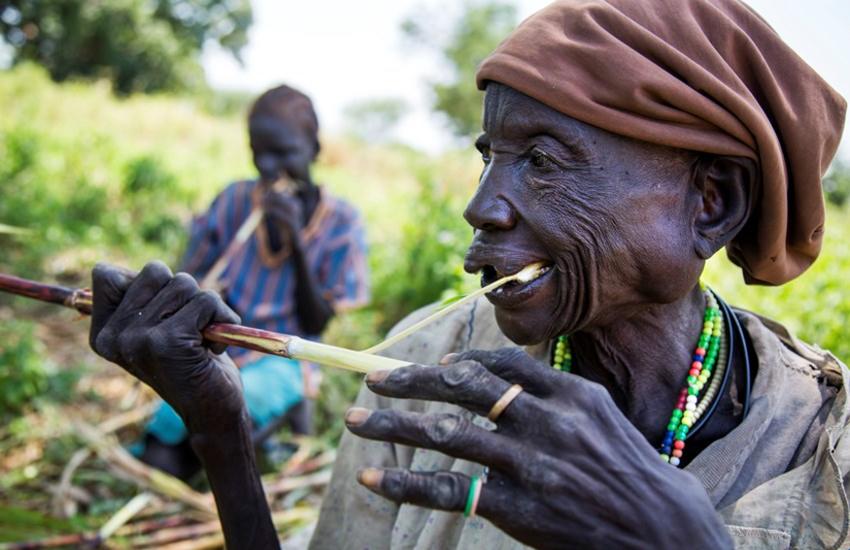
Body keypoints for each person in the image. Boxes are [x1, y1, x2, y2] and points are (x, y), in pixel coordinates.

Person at [87, 0, 848, 548]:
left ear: (710, 204)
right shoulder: (427, 367)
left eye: (543, 161)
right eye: (489, 158)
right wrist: (222, 433)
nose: (481, 207)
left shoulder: (817, 446)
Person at [134, 84, 370, 479]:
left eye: (283, 153)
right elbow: (188, 275)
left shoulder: (341, 222)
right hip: (221, 348)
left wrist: (294, 239)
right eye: (258, 152)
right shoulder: (235, 201)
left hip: (286, 357)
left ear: (313, 148)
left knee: (225, 412)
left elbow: (316, 324)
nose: (268, 167)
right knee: (166, 439)